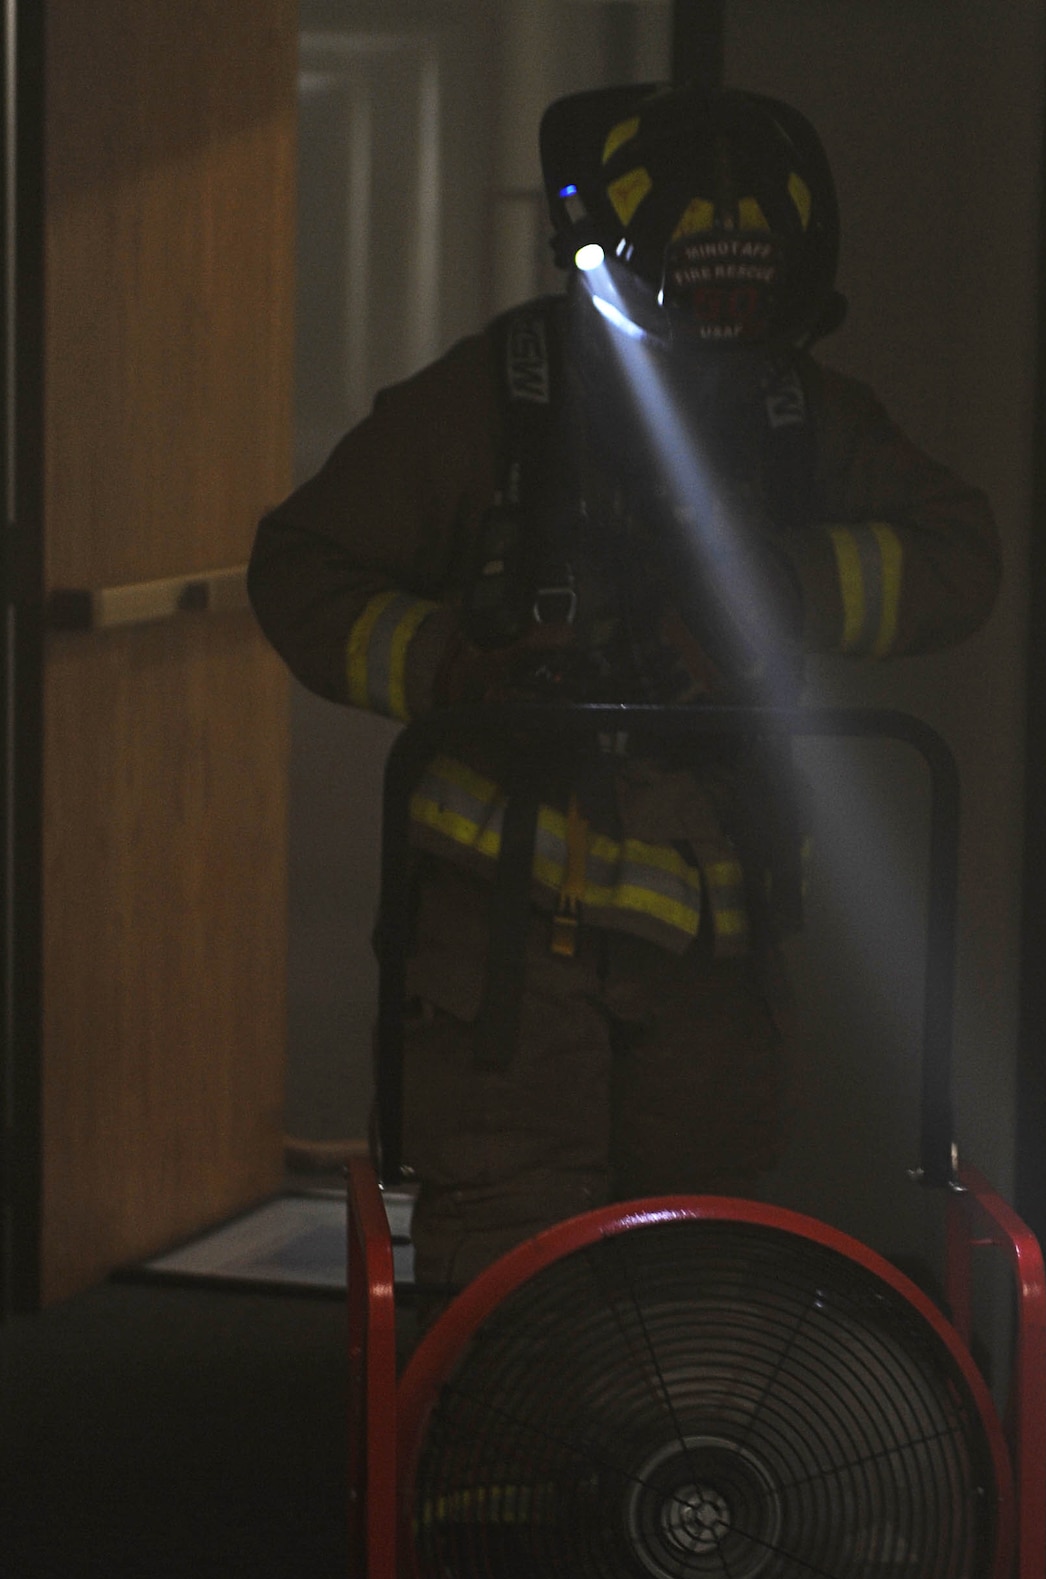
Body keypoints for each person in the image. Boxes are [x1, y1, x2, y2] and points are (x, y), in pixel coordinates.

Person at [248, 83, 1001, 1307]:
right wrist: (454, 665)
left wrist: (776, 591)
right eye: (696, 300)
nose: (723, 334)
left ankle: (667, 1498)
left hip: (715, 936)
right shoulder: (500, 397)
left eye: (750, 309)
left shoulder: (794, 407)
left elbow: (959, 553)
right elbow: (300, 566)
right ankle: (496, 1495)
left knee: (697, 1265)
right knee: (507, 1256)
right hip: (504, 940)